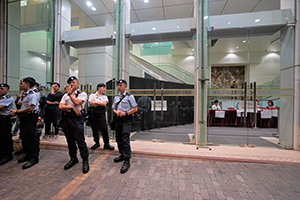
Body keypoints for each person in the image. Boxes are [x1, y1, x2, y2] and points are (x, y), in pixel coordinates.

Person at [59, 76, 89, 174]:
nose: (72, 84)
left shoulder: (82, 94)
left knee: (80, 140)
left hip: (77, 119)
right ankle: (73, 158)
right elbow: (60, 106)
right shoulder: (65, 95)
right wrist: (71, 108)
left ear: (78, 84)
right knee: (70, 140)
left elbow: (77, 102)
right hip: (67, 118)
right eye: (70, 82)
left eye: (73, 82)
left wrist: (70, 94)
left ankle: (85, 160)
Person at [10, 77, 40, 169]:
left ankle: (34, 157)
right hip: (24, 117)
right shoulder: (26, 94)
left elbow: (31, 108)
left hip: (30, 117)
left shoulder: (33, 94)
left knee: (31, 138)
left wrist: (17, 112)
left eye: (22, 83)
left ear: (27, 85)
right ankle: (28, 154)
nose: (20, 85)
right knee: (25, 137)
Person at [112, 79, 137, 174]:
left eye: (121, 85)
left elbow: (135, 108)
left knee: (125, 139)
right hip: (118, 119)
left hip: (126, 119)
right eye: (118, 85)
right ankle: (122, 154)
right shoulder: (116, 97)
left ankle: (127, 160)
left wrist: (126, 113)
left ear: (125, 86)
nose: (119, 87)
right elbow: (113, 108)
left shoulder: (130, 96)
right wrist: (117, 112)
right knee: (118, 138)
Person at [88, 83, 114, 150]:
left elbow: (104, 103)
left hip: (101, 113)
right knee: (94, 128)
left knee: (104, 128)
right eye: (103, 88)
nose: (104, 89)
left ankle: (106, 144)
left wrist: (95, 103)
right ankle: (96, 143)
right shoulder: (92, 95)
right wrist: (100, 104)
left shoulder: (104, 96)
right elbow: (91, 103)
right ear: (99, 88)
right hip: (93, 113)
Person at [0, 83, 14, 165]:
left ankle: (7, 155)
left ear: (7, 90)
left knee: (5, 137)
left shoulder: (8, 98)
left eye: (2, 89)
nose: (0, 90)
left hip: (4, 119)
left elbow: (1, 107)